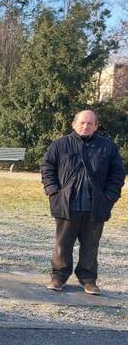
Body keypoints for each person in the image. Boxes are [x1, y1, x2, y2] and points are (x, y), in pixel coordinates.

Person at [41, 110, 125, 295]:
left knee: (90, 245)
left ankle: (88, 280)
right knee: (63, 244)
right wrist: (53, 192)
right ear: (74, 124)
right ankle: (58, 277)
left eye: (90, 123)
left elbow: (117, 174)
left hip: (95, 206)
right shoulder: (60, 145)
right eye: (82, 122)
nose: (85, 126)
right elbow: (47, 168)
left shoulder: (107, 147)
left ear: (96, 126)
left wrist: (110, 197)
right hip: (66, 204)